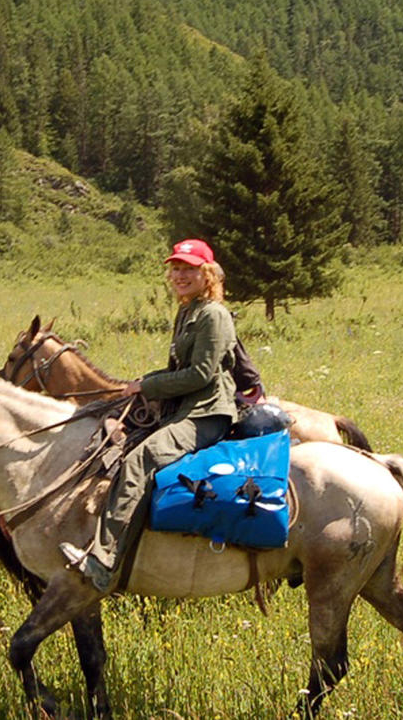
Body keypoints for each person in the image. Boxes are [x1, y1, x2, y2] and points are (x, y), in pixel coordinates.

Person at [61, 238, 238, 591]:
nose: (180, 275)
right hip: (184, 407)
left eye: (189, 269)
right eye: (176, 269)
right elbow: (180, 367)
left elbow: (201, 374)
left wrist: (148, 387)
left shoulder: (213, 315)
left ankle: (104, 560)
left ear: (207, 274)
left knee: (141, 460)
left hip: (206, 413)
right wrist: (144, 381)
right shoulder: (188, 310)